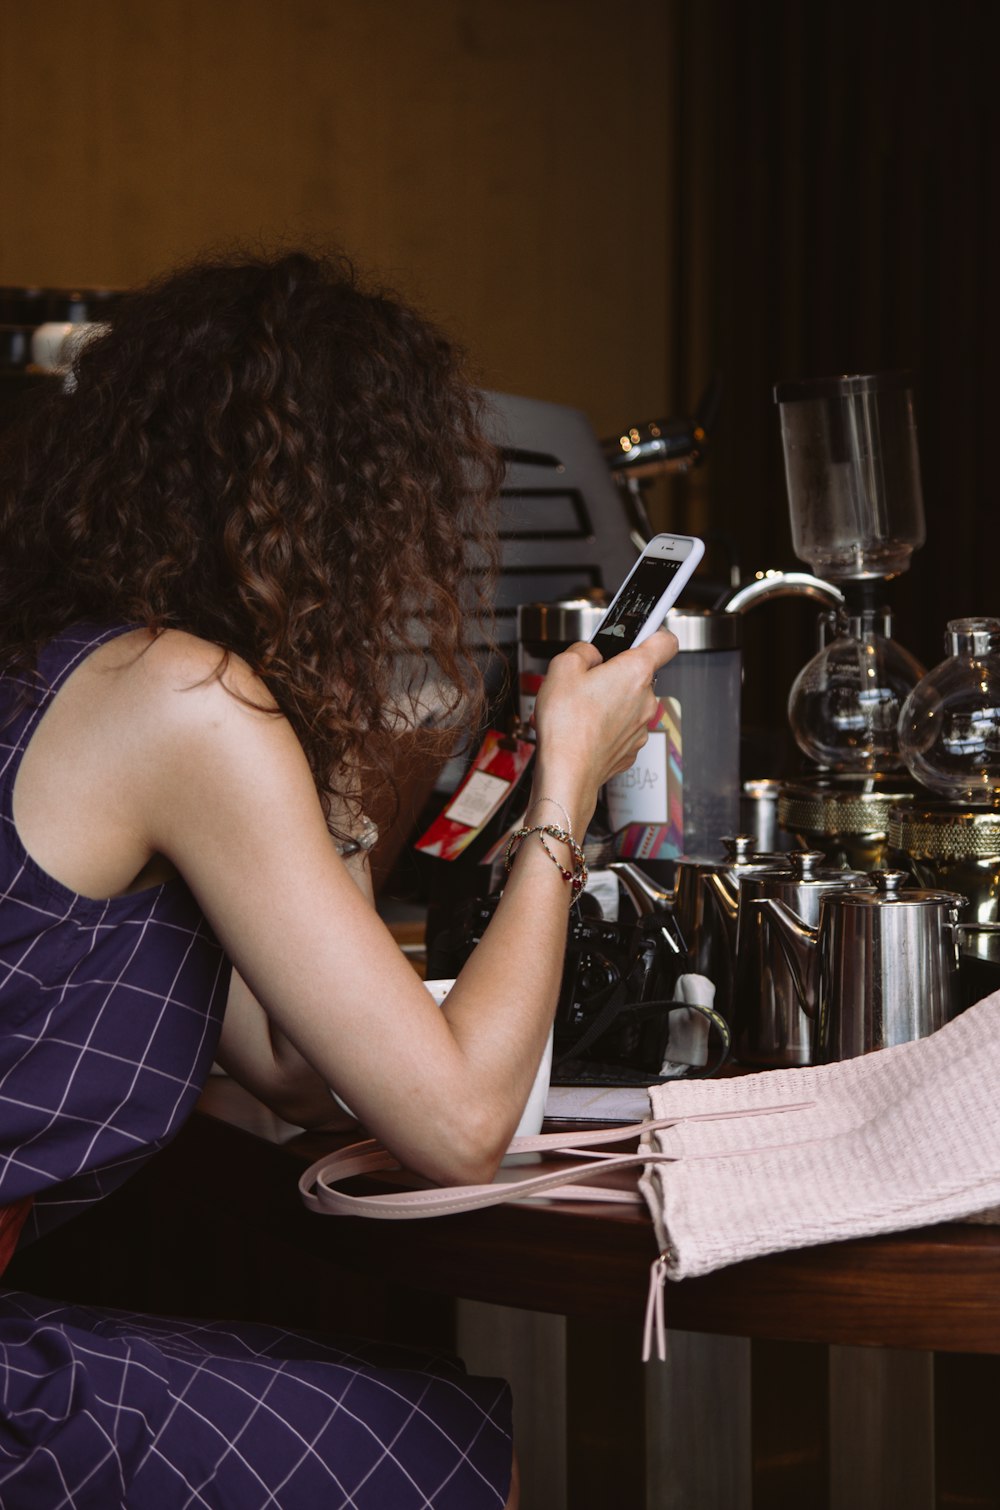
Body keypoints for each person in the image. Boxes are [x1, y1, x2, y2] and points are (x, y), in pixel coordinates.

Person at [0, 248, 676, 1508]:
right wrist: (565, 785)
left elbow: (295, 1067)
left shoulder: (87, 669)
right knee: (437, 1453)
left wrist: (337, 772)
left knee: (402, 1417)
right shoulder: (185, 702)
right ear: (338, 513)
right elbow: (462, 1128)